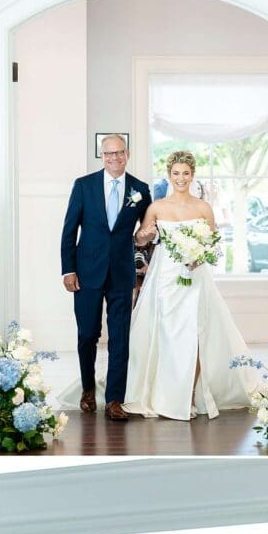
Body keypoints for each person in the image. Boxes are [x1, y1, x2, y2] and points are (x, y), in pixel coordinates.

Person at [122, 150, 255, 420]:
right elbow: (141, 239)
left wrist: (199, 256)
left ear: (192, 175)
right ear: (169, 175)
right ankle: (162, 394)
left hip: (195, 278)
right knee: (167, 335)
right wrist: (144, 235)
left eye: (185, 173)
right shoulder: (157, 207)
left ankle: (189, 395)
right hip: (166, 279)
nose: (180, 178)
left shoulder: (203, 207)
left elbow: (214, 242)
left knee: (194, 335)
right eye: (175, 173)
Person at [59, 135, 154, 422]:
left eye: (119, 152)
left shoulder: (140, 189)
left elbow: (146, 232)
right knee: (87, 334)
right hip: (86, 272)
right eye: (108, 153)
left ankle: (115, 399)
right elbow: (69, 230)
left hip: (123, 273)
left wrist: (145, 249)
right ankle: (88, 389)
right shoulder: (84, 185)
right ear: (102, 156)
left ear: (127, 154)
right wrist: (68, 269)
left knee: (120, 337)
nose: (114, 158)